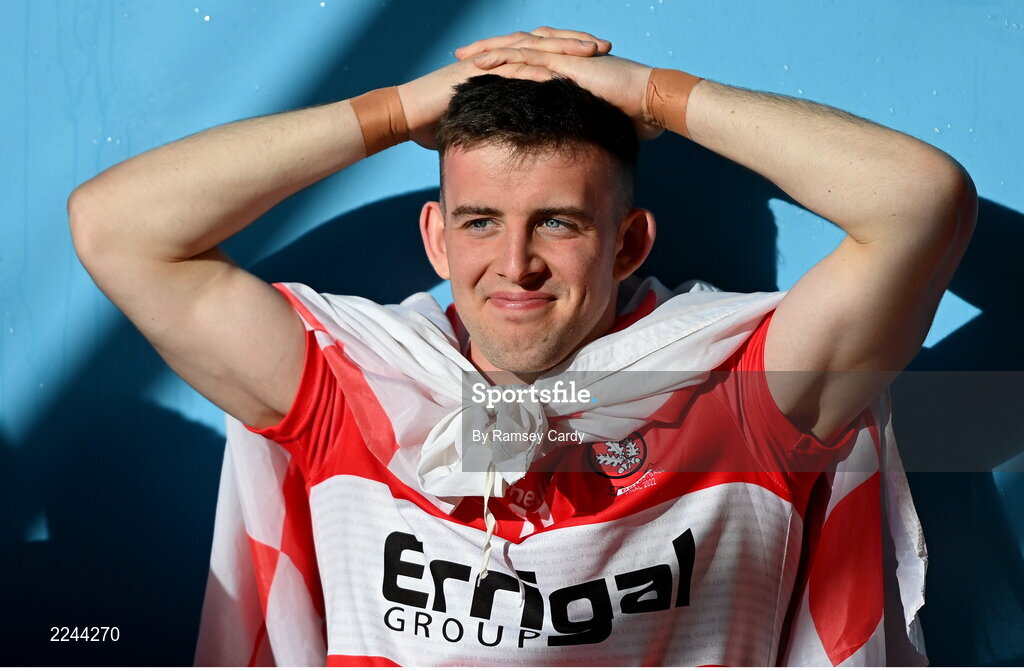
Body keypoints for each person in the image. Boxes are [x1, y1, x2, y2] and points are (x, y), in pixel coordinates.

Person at [69, 27, 975, 666]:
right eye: (479, 221)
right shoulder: (357, 386)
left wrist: (653, 93)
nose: (515, 264)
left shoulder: (736, 396)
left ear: (627, 244)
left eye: (557, 222)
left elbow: (921, 200)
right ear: (436, 240)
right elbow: (115, 227)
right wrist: (402, 108)